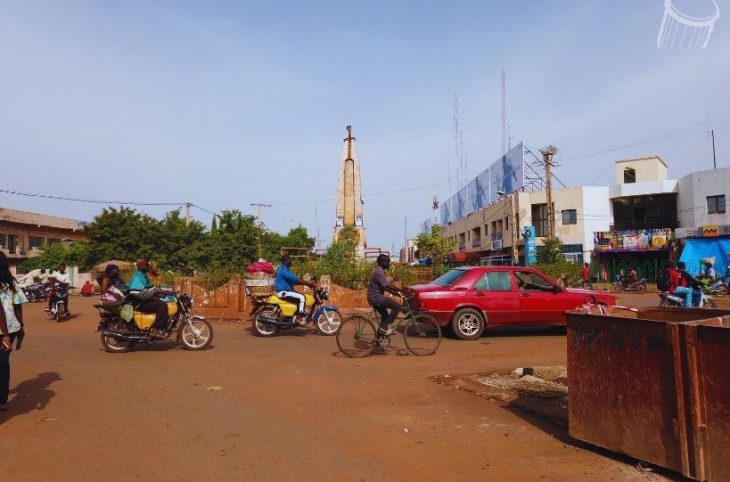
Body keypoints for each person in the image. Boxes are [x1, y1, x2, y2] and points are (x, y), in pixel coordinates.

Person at [0, 251, 27, 411]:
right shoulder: (12, 283)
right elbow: (18, 306)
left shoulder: (12, 283)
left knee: (2, 363)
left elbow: (18, 305)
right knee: (3, 363)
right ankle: (2, 399)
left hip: (8, 328)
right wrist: (21, 326)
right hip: (11, 328)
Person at [367, 254, 410, 338]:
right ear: (382, 262)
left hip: (373, 297)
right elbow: (388, 285)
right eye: (387, 262)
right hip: (376, 298)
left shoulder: (377, 270)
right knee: (397, 306)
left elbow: (383, 286)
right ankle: (383, 328)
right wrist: (402, 290)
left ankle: (380, 338)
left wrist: (394, 293)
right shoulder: (379, 272)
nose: (389, 264)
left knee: (385, 316)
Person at [128, 259, 168, 338]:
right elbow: (137, 293)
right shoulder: (137, 277)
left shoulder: (143, 276)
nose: (148, 267)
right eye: (147, 265)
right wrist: (154, 292)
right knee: (162, 305)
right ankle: (155, 329)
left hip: (143, 301)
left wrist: (166, 291)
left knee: (161, 302)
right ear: (143, 267)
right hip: (138, 303)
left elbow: (152, 288)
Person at [274, 255, 315, 324]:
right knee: (302, 297)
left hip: (285, 291)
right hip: (283, 292)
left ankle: (293, 316)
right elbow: (296, 280)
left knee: (300, 296)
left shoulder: (285, 270)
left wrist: (306, 284)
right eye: (290, 260)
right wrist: (309, 284)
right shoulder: (283, 271)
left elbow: (295, 281)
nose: (291, 261)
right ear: (286, 261)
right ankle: (299, 317)